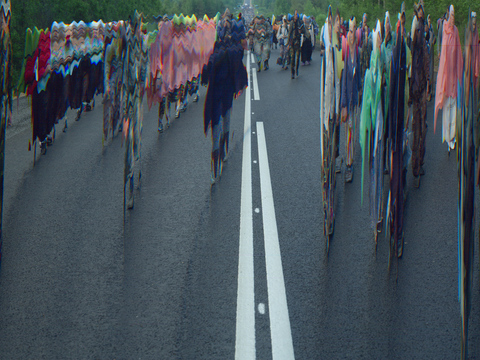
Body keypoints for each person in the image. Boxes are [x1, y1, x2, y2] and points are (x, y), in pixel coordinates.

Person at [387, 2, 410, 258]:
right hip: (393, 127)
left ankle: (398, 229)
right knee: (394, 182)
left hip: (401, 123)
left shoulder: (403, 50)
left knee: (399, 178)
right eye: (399, 22)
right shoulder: (395, 52)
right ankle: (397, 230)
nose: (401, 25)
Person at [359, 20, 384, 242]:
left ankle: (379, 213)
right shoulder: (368, 74)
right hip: (371, 130)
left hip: (381, 129)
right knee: (373, 172)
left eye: (379, 38)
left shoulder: (384, 68)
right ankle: (374, 215)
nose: (377, 42)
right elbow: (366, 105)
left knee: (379, 171)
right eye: (375, 38)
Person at [320, 6, 338, 237]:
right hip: (325, 118)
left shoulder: (339, 54)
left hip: (335, 115)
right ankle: (327, 210)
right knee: (325, 164)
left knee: (331, 163)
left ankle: (331, 210)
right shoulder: (326, 57)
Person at [434, 4, 463, 154]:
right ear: (448, 15)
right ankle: (447, 137)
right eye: (451, 15)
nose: (453, 18)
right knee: (446, 108)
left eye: (454, 16)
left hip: (454, 76)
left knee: (453, 106)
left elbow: (458, 51)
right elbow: (442, 51)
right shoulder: (444, 29)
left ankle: (452, 136)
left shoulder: (456, 30)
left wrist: (460, 70)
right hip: (446, 76)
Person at [410, 1, 429, 188]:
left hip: (421, 83)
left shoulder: (422, 28)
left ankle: (419, 162)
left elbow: (425, 56)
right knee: (417, 125)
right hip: (416, 86)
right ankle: (415, 163)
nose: (422, 12)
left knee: (422, 124)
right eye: (420, 10)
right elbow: (415, 50)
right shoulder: (416, 29)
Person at [340, 17, 360, 182]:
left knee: (352, 132)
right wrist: (344, 105)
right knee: (349, 132)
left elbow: (359, 77)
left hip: (356, 102)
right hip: (348, 101)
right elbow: (343, 83)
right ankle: (348, 164)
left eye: (353, 31)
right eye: (350, 31)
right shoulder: (346, 53)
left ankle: (349, 161)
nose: (351, 34)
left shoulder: (358, 53)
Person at [288, 10, 304, 79]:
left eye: (297, 15)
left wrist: (301, 31)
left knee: (297, 58)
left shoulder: (300, 22)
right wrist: (288, 43)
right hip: (292, 42)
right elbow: (289, 33)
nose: (296, 16)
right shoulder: (291, 23)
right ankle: (292, 72)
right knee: (292, 58)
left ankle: (297, 69)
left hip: (298, 42)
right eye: (295, 15)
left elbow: (303, 31)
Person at [425, 14, 436, 101]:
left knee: (431, 72)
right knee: (427, 72)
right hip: (426, 55)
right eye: (428, 21)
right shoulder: (425, 31)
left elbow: (434, 37)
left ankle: (430, 91)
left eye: (430, 21)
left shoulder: (432, 29)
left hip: (431, 53)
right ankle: (427, 91)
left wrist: (434, 40)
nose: (429, 22)